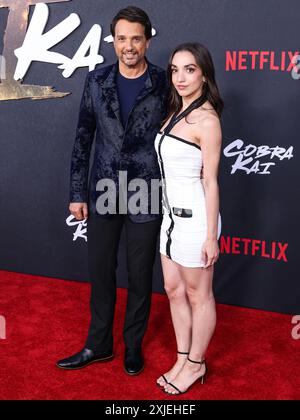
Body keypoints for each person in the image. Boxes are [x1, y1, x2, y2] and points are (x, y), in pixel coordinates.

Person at [56, 6, 167, 375]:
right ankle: (99, 344)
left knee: (139, 273)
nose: (129, 46)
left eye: (136, 38)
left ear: (148, 40)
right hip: (104, 186)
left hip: (146, 188)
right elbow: (82, 139)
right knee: (101, 270)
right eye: (122, 38)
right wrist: (77, 191)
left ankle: (133, 346)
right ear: (114, 41)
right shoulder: (96, 80)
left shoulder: (165, 82)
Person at [154, 43, 223, 395]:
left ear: (204, 74)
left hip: (195, 221)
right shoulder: (175, 112)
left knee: (200, 295)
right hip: (169, 218)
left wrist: (211, 236)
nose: (180, 77)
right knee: (173, 289)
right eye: (175, 69)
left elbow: (210, 182)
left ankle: (196, 364)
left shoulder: (207, 120)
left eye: (189, 69)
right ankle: (183, 357)